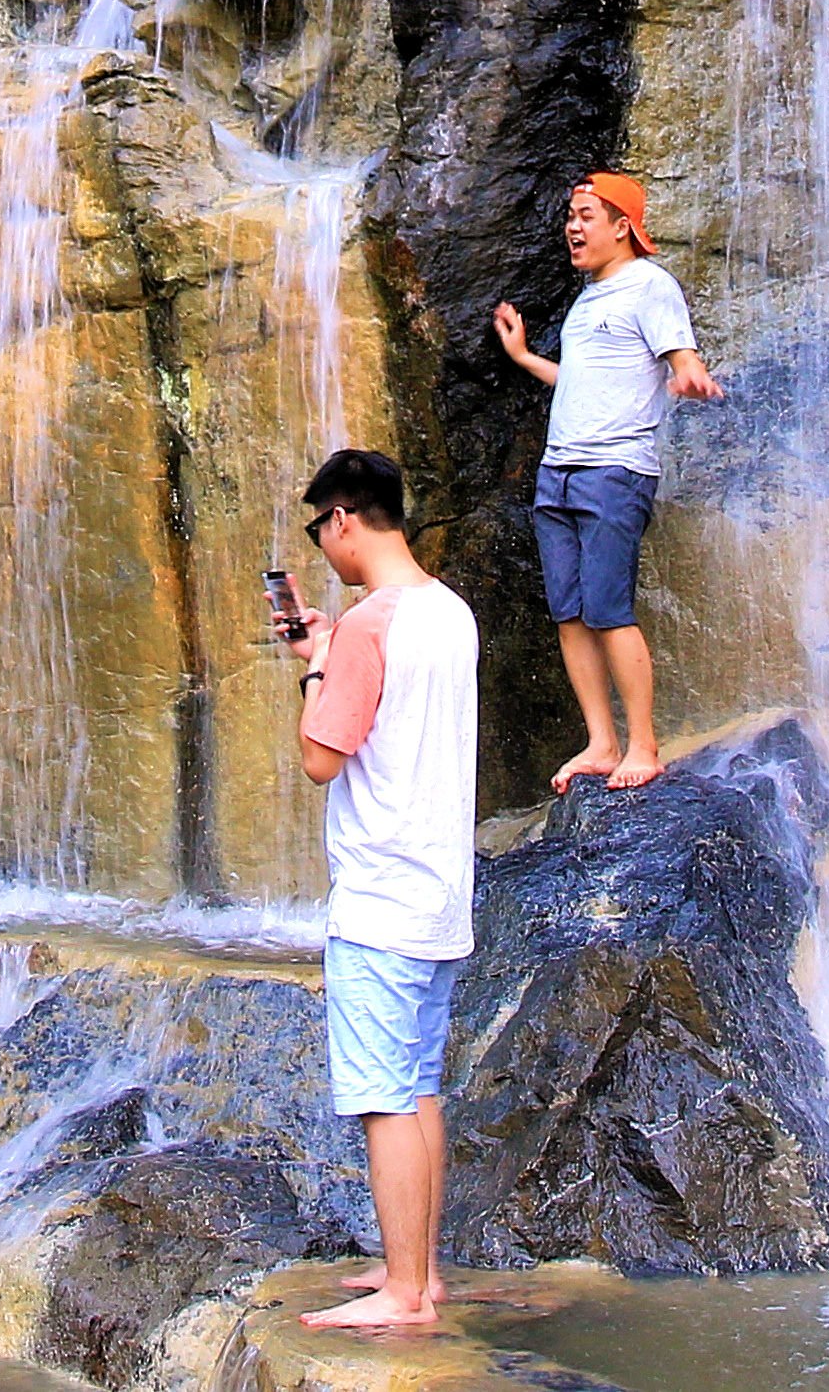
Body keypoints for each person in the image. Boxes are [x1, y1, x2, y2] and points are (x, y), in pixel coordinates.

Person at [286, 446, 476, 1334]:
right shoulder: (449, 612)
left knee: (384, 1097)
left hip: (378, 898)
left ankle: (404, 1293)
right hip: (440, 896)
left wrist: (316, 664)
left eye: (321, 528)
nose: (324, 547)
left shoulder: (369, 626)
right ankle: (422, 1270)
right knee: (420, 1082)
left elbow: (322, 758)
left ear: (345, 520)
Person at [487, 168, 721, 790]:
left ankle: (642, 745)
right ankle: (600, 742)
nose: (572, 226)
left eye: (586, 215)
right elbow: (584, 383)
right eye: (571, 215)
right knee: (570, 613)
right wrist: (523, 358)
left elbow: (680, 353)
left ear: (623, 226)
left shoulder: (651, 285)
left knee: (609, 609)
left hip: (614, 471)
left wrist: (691, 373)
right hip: (558, 471)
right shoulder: (589, 299)